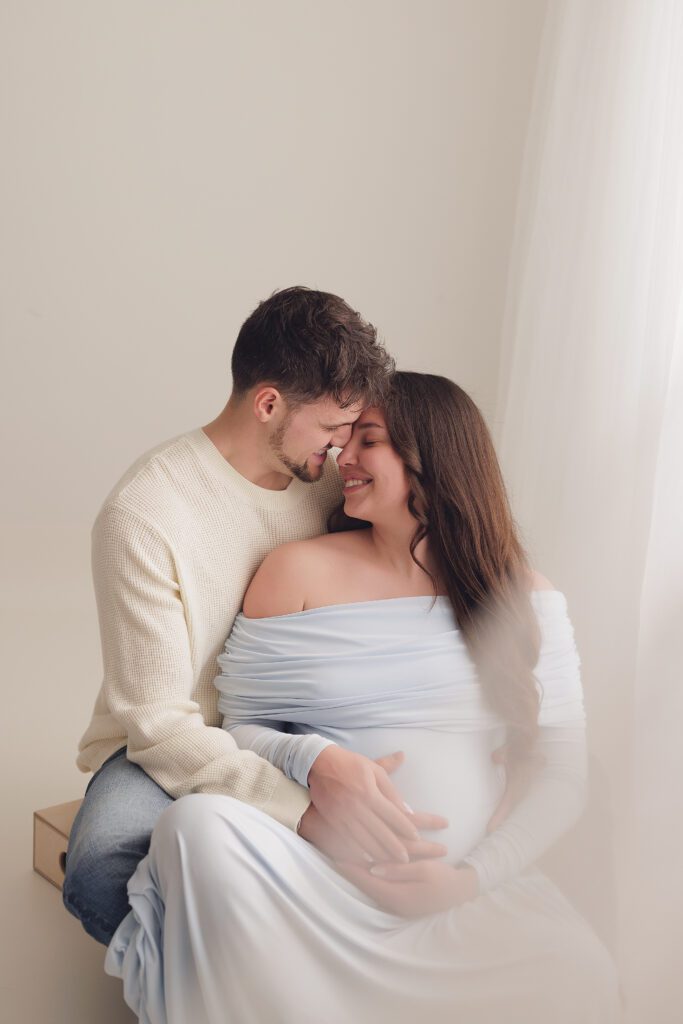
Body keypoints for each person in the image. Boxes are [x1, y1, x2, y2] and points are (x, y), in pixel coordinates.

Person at [104, 372, 622, 1023]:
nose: (341, 460)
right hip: (318, 879)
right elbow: (243, 728)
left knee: (578, 971)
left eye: (366, 441)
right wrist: (317, 760)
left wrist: (466, 880)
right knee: (195, 829)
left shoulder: (524, 595)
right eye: (343, 440)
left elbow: (563, 770)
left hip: (462, 893)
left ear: (430, 457)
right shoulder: (297, 571)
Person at [63, 285, 439, 943]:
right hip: (187, 733)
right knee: (100, 865)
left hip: (316, 711)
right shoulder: (146, 512)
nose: (343, 449)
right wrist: (304, 813)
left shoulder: (332, 480)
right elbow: (157, 723)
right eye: (330, 428)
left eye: (351, 431)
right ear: (268, 404)